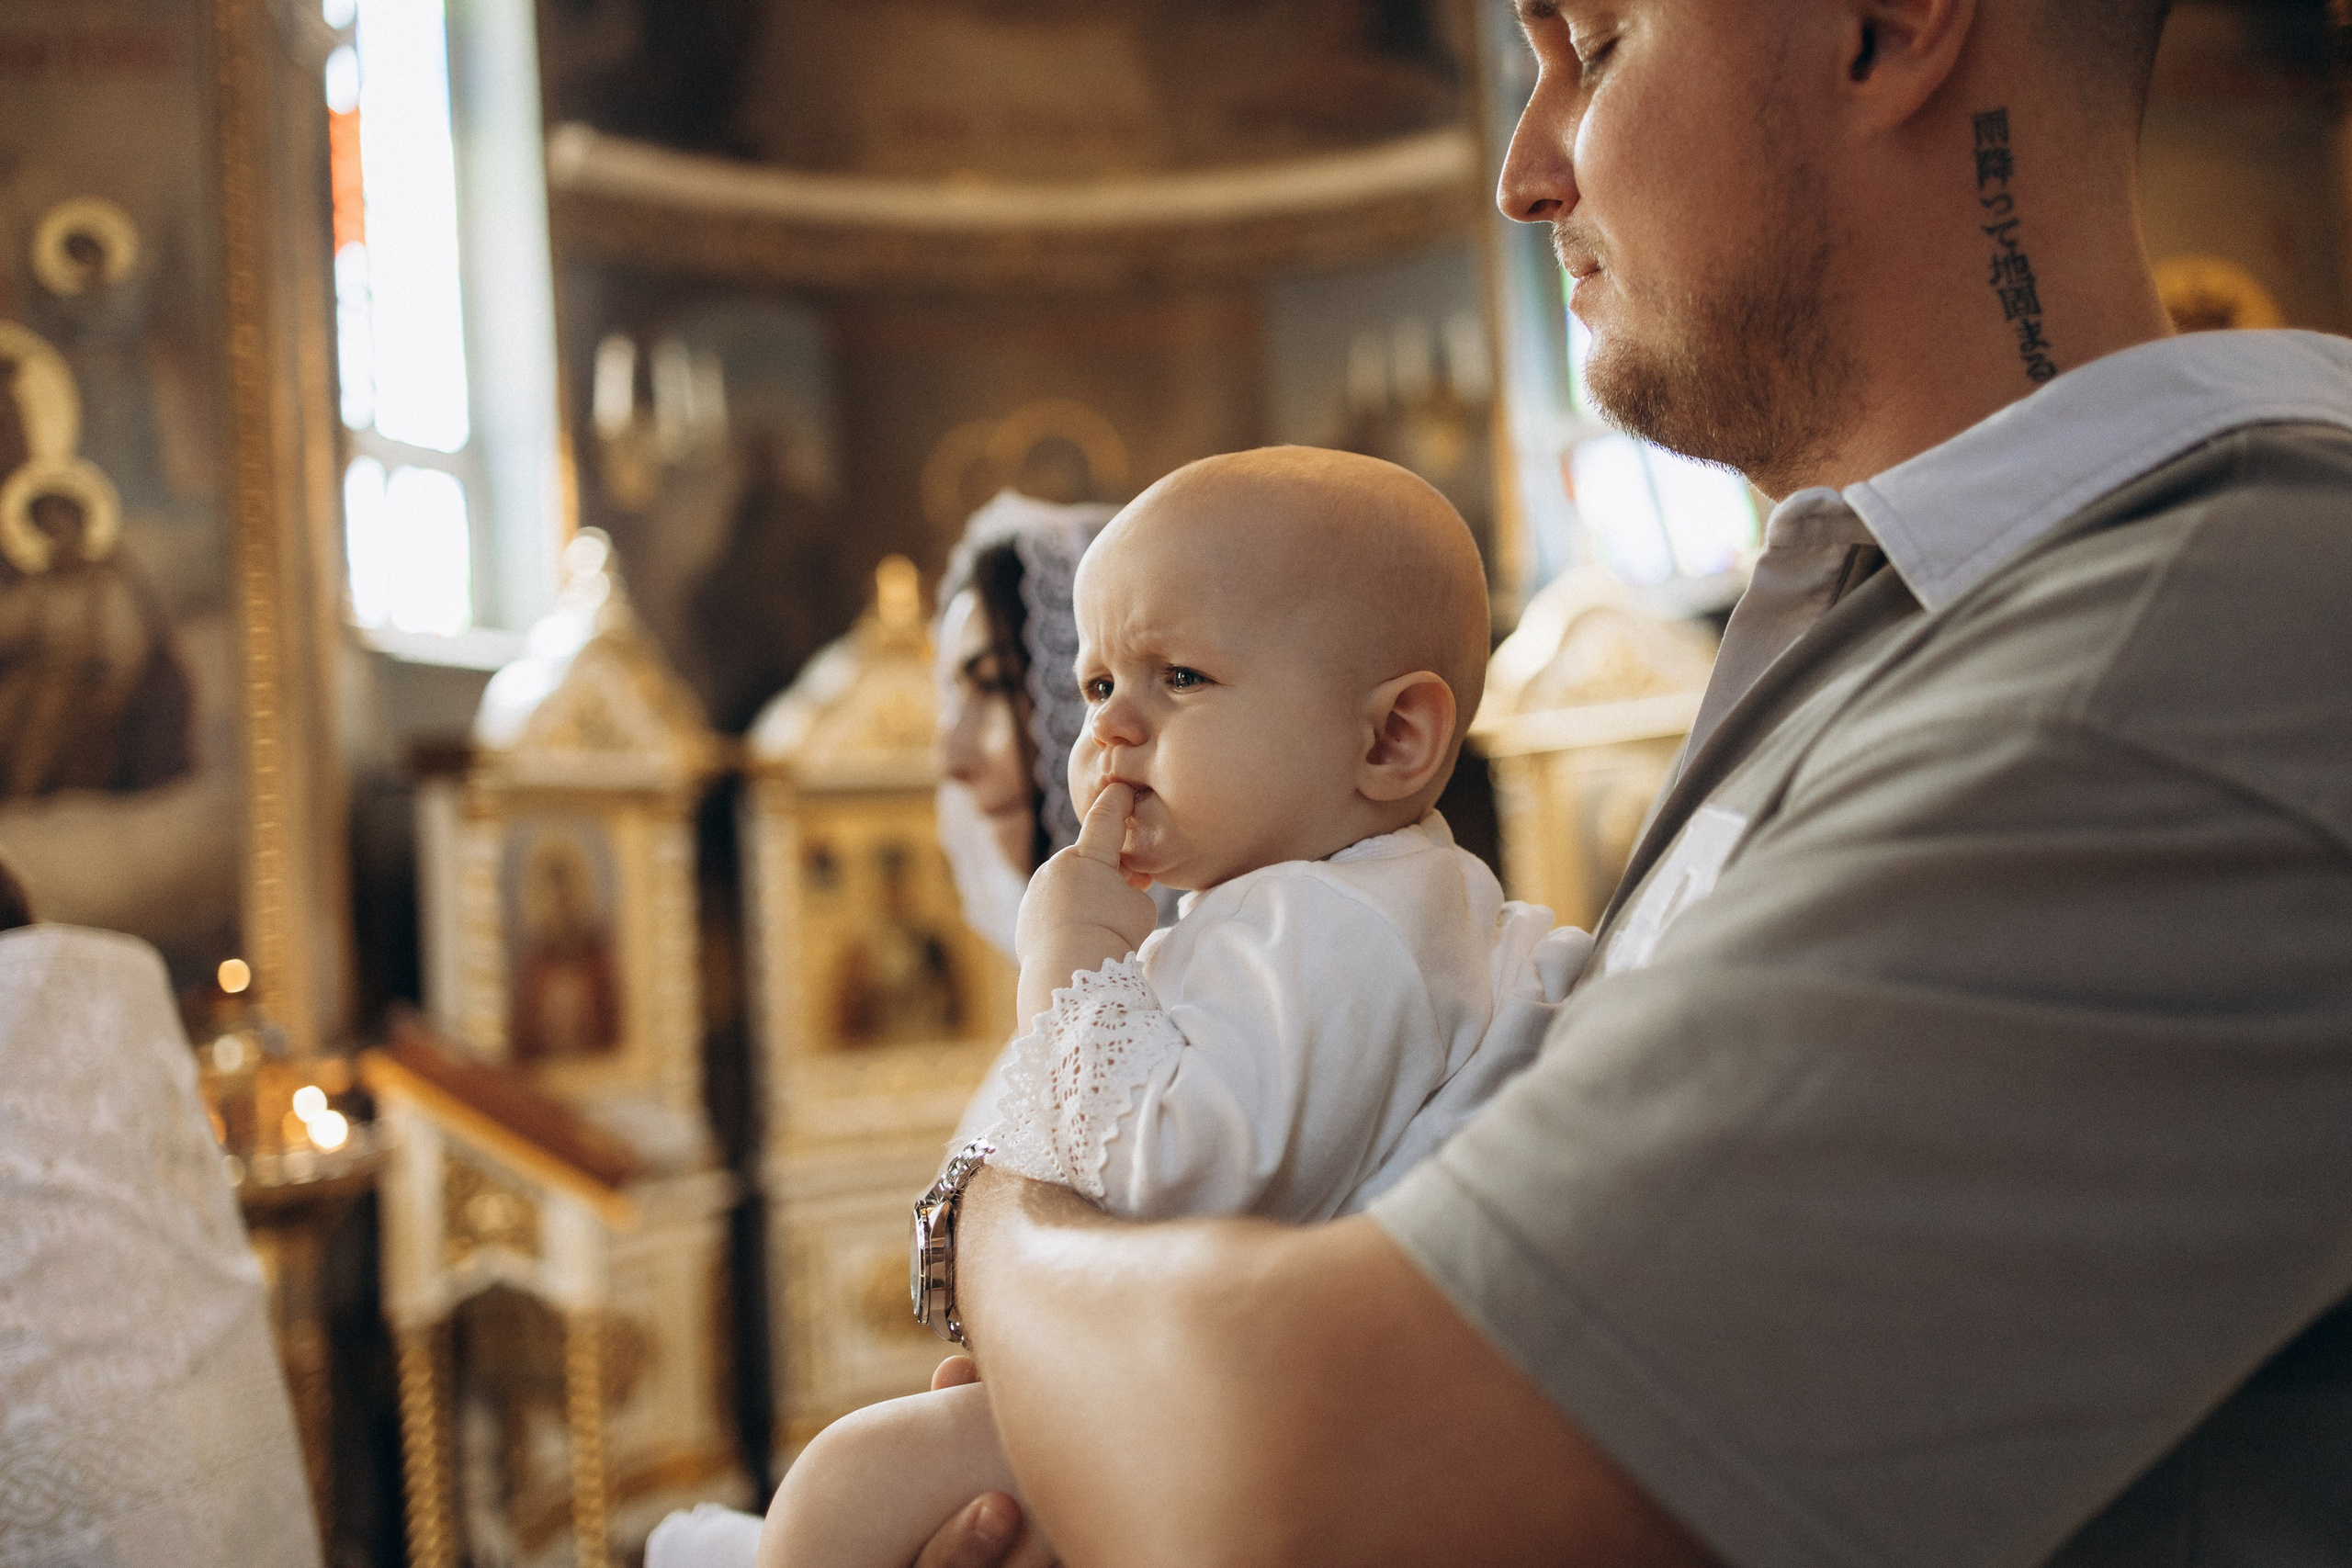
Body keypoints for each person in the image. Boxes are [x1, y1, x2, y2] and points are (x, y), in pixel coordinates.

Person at [904, 1, 2352, 1564]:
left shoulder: (2172, 654)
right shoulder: (1897, 608)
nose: (1523, 174)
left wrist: (1009, 1199)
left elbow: (1295, 1489)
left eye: (1594, 46)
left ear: (1883, 28)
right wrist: (1087, 1434)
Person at [752, 448, 1587, 1567]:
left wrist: (1074, 960)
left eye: (1178, 679)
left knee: (843, 1489)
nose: (1107, 732)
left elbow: (1178, 1181)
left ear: (1391, 740)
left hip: (1284, 1426)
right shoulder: (1285, 910)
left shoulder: (1342, 921)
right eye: (1096, 687)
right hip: (1219, 1386)